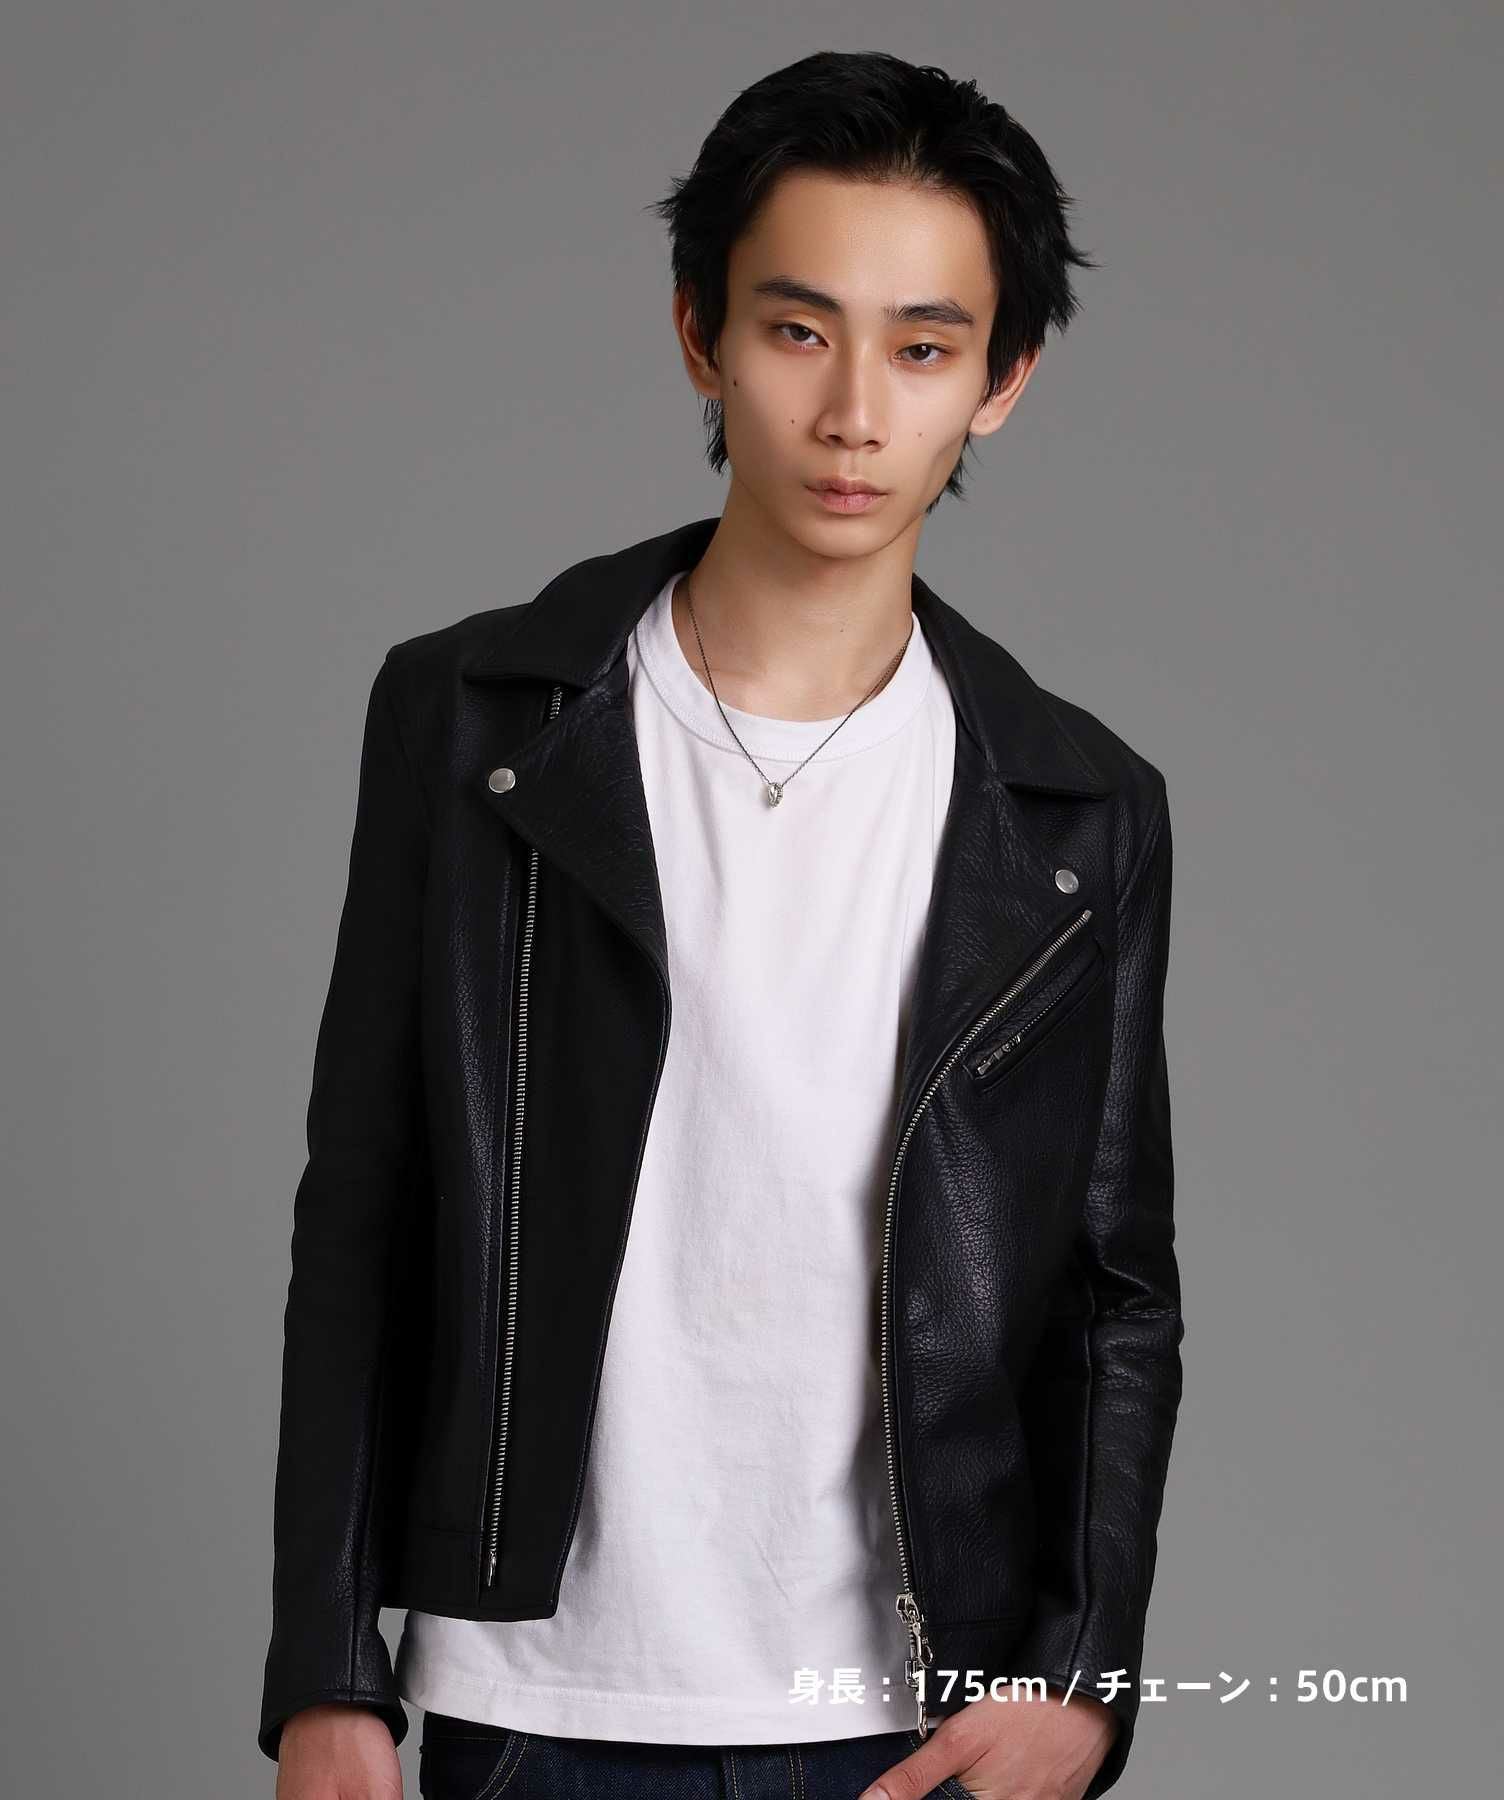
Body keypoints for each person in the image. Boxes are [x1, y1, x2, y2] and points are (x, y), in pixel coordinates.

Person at [259, 49, 1184, 1800]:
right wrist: (325, 1670)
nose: (854, 413)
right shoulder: (473, 725)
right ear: (700, 334)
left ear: (1002, 383)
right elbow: (365, 1208)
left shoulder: (1075, 812)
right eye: (797, 330)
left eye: (924, 348)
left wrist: (1084, 1680)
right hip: (533, 1708)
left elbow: (1114, 1290)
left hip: (908, 1721)